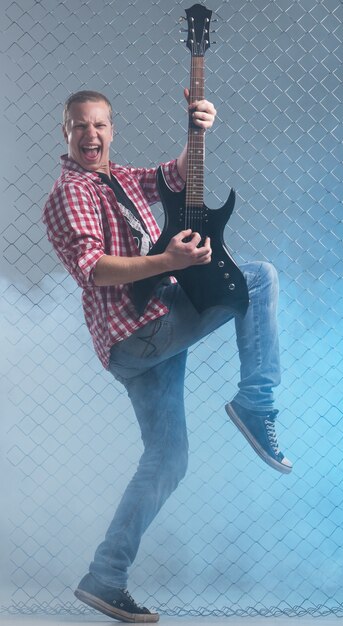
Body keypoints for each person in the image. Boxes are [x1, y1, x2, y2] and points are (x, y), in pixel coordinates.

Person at [42, 89, 292, 623]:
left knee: (168, 459)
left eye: (100, 125)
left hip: (148, 334)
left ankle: (104, 577)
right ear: (65, 133)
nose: (91, 135)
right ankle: (256, 402)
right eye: (79, 126)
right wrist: (166, 260)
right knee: (258, 277)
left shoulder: (119, 178)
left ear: (112, 129)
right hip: (140, 333)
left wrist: (197, 126)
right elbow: (96, 268)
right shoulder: (71, 191)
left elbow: (175, 176)